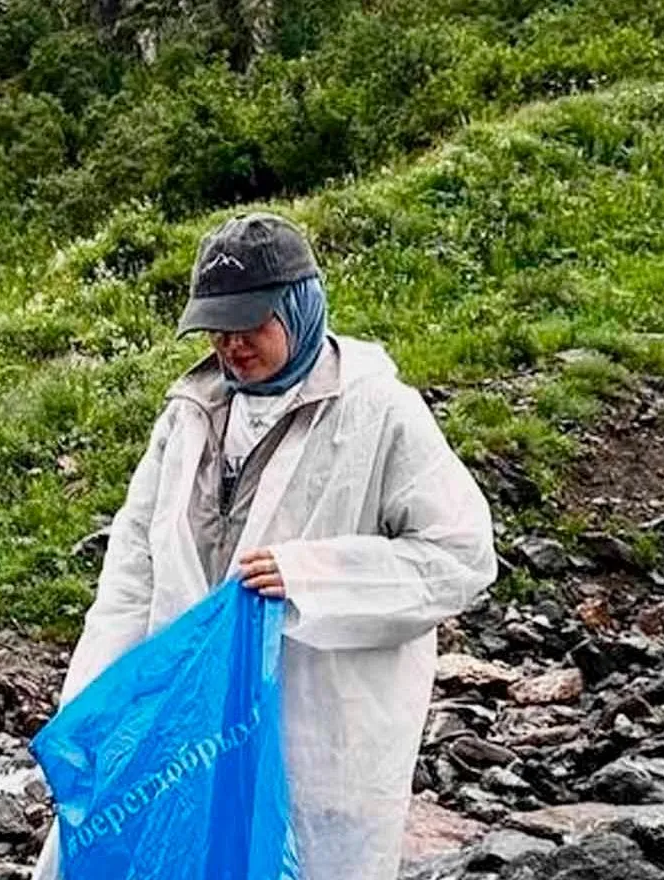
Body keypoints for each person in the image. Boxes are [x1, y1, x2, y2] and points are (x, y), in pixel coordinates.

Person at [33, 212, 497, 879]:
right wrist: (92, 707)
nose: (232, 346)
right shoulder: (188, 415)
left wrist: (313, 577)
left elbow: (461, 555)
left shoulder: (378, 412)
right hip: (185, 718)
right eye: (218, 328)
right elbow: (134, 569)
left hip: (314, 732)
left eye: (252, 324)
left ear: (300, 306)